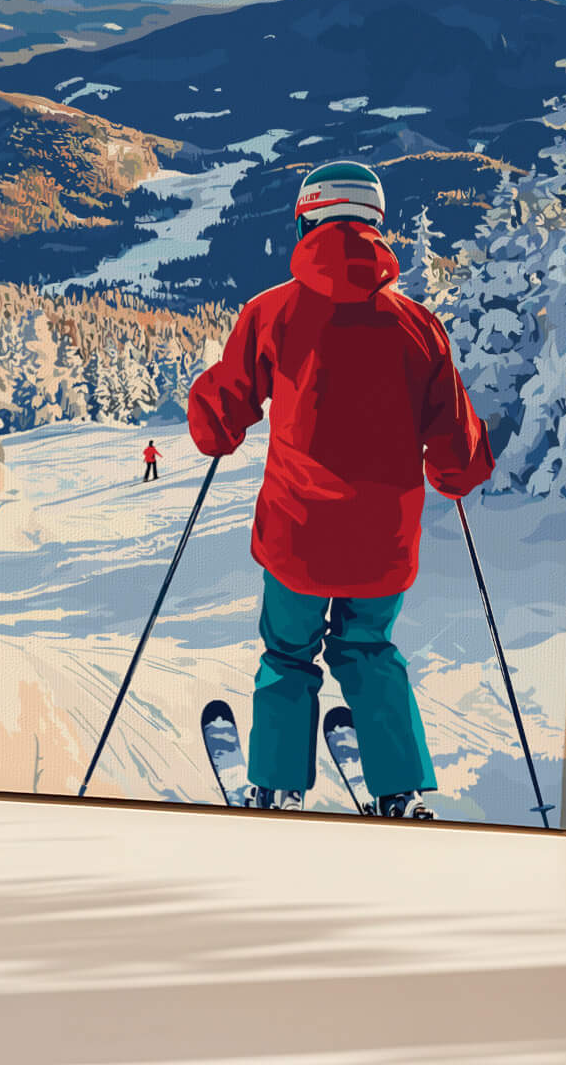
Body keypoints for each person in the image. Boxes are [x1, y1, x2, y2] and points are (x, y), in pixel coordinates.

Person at [188, 160, 492, 818]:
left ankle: (275, 783)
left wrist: (214, 421)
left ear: (305, 220)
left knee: (288, 655)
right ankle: (399, 789)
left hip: (297, 536)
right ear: (378, 227)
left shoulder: (272, 312)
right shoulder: (418, 326)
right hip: (383, 545)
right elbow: (459, 453)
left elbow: (223, 411)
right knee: (370, 651)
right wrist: (455, 473)